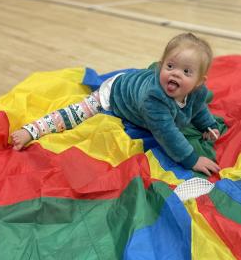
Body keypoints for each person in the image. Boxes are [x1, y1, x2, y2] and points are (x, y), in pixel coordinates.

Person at [11, 32, 221, 176]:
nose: (175, 73)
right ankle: (32, 130)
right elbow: (167, 133)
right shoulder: (154, 98)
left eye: (186, 71)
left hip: (133, 84)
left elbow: (198, 107)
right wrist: (192, 159)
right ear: (161, 64)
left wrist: (207, 125)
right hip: (112, 95)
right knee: (74, 114)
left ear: (199, 82)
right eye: (170, 65)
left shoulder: (197, 92)